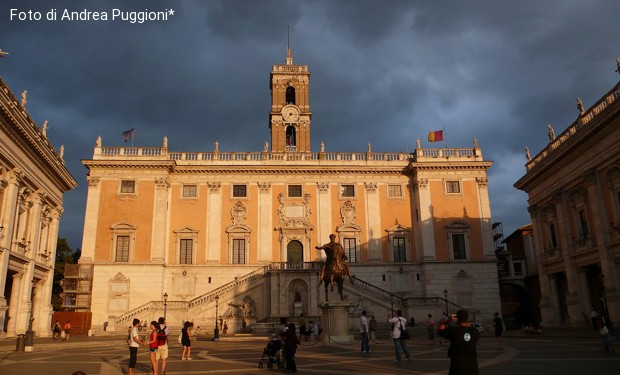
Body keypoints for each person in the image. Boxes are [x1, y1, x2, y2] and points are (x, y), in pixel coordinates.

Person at [438, 309, 480, 375]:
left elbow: (440, 331)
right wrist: (467, 323)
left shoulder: (452, 331)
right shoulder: (475, 331)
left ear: (457, 319)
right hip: (472, 369)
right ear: (468, 318)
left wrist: (446, 322)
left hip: (457, 369)